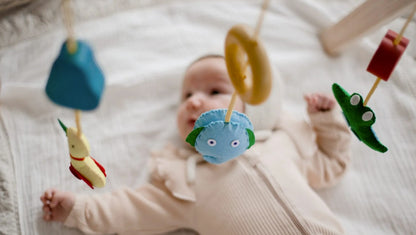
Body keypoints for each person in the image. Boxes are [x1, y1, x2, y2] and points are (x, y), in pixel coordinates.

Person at [41, 55, 351, 235]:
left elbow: (333, 164)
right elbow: (128, 209)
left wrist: (326, 121)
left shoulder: (282, 143)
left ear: (250, 105)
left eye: (215, 90)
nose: (195, 101)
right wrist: (77, 209)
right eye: (187, 96)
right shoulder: (185, 183)